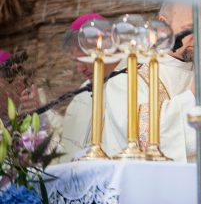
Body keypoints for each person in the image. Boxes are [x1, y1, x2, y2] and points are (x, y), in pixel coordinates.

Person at [102, 2, 201, 164]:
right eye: (191, 28)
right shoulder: (127, 81)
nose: (200, 38)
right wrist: (193, 97)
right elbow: (139, 137)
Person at [18, 13, 123, 163]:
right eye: (75, 61)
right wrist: (40, 115)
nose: (80, 69)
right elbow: (65, 155)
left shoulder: (135, 81)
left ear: (106, 47)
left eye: (84, 58)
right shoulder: (82, 95)